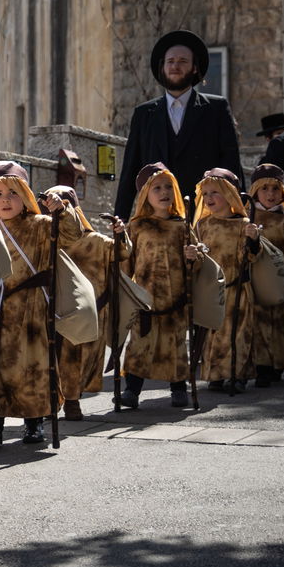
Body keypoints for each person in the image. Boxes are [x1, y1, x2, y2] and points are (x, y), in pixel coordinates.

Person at [0, 163, 78, 446]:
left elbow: (71, 236)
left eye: (13, 193)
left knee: (35, 365)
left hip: (34, 308)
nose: (5, 200)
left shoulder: (40, 224)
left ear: (25, 195)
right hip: (2, 308)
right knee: (1, 365)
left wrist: (61, 212)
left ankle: (34, 422)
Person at [114, 30, 243, 220]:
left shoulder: (216, 109)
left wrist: (240, 214)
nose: (175, 66)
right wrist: (120, 218)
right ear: (162, 67)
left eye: (183, 61)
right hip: (159, 219)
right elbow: (130, 170)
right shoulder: (144, 114)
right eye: (170, 61)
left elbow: (231, 165)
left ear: (194, 68)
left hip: (205, 216)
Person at [117, 163, 195, 409]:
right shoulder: (136, 226)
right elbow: (126, 262)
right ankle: (131, 390)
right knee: (140, 345)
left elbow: (197, 263)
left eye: (168, 187)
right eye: (157, 188)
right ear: (145, 195)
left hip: (175, 300)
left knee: (175, 345)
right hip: (145, 300)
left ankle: (179, 388)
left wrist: (194, 257)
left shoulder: (182, 226)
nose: (164, 192)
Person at [43, 184, 114, 418]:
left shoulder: (96, 241)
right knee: (49, 357)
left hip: (82, 311)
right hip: (50, 307)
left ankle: (72, 401)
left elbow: (122, 255)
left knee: (73, 357)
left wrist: (121, 234)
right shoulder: (44, 238)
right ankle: (51, 402)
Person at [193, 169, 260, 392]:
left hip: (237, 289)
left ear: (230, 194)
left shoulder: (243, 224)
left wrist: (253, 240)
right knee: (213, 334)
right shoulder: (202, 225)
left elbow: (251, 256)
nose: (209, 198)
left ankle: (237, 374)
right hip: (212, 291)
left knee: (238, 334)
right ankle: (216, 374)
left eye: (215, 192)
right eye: (205, 194)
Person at [246, 164, 284, 385]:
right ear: (255, 191)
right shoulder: (247, 218)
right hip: (256, 281)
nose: (270, 194)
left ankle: (278, 364)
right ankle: (261, 366)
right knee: (258, 323)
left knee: (282, 323)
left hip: (282, 280)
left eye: (275, 189)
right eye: (264, 188)